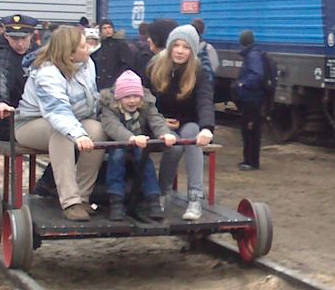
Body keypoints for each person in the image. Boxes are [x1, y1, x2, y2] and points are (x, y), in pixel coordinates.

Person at [15, 26, 106, 221]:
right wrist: (78, 134)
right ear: (69, 53)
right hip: (31, 123)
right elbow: (57, 111)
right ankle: (70, 201)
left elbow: (92, 98)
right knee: (62, 133)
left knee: (98, 131)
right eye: (83, 46)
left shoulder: (88, 64)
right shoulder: (47, 72)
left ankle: (83, 196)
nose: (88, 48)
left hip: (76, 120)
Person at [148, 24, 215, 220]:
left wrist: (207, 128)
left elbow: (205, 101)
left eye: (186, 47)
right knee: (174, 146)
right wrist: (160, 122)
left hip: (189, 122)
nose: (179, 51)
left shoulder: (198, 72)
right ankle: (163, 191)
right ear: (169, 47)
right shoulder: (155, 67)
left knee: (192, 135)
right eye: (176, 45)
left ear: (192, 50)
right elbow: (147, 100)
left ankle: (195, 197)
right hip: (160, 123)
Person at [100, 70, 175, 221]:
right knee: (117, 155)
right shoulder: (109, 108)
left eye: (136, 96)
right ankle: (116, 201)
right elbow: (113, 127)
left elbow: (156, 120)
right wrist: (131, 138)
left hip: (140, 143)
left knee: (144, 156)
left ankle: (153, 199)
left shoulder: (147, 105)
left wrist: (164, 133)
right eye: (127, 97)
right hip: (118, 142)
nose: (132, 101)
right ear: (119, 98)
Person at [0, 13, 38, 141]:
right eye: (14, 39)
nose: (19, 44)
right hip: (7, 114)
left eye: (24, 39)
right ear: (6, 36)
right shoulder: (2, 53)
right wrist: (0, 100)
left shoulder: (36, 52)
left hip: (30, 110)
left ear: (31, 35)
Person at [233, 30, 266, 171]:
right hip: (251, 99)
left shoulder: (253, 56)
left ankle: (251, 162)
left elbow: (258, 75)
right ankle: (249, 160)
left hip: (252, 99)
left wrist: (243, 84)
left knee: (250, 130)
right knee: (249, 130)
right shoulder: (253, 54)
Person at [93, 18, 135, 90]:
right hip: (100, 83)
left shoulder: (120, 44)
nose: (107, 30)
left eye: (109, 27)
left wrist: (117, 78)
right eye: (104, 28)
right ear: (100, 31)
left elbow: (128, 63)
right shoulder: (99, 45)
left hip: (115, 83)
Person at [190, 18, 219, 84]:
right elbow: (215, 65)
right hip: (205, 83)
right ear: (203, 31)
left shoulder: (186, 47)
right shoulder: (208, 48)